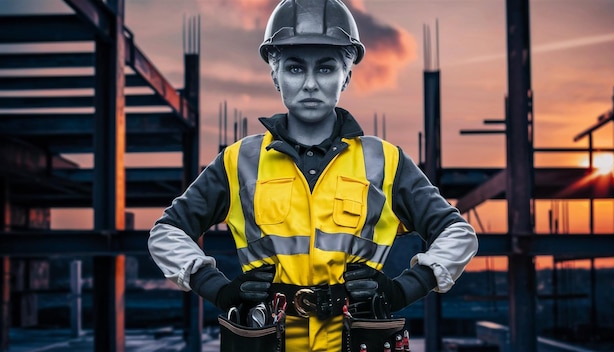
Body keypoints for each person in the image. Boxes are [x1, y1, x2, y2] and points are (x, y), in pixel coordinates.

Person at [148, 0, 478, 350]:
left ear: (346, 75)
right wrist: (216, 287)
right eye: (294, 68)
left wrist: (404, 288)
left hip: (356, 340)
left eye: (325, 69)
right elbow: (167, 233)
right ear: (274, 74)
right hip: (269, 340)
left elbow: (458, 234)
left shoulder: (385, 161)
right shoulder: (239, 161)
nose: (309, 84)